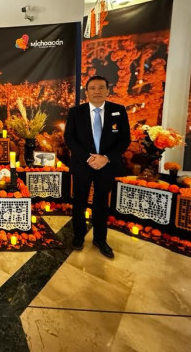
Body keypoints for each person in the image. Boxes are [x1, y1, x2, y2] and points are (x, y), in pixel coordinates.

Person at [64, 76, 130, 258]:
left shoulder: (118, 111)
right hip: (82, 165)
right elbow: (69, 138)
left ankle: (100, 239)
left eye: (101, 87)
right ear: (86, 92)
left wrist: (106, 158)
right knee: (79, 202)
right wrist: (88, 158)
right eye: (92, 88)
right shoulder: (76, 112)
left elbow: (124, 139)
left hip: (106, 166)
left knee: (101, 204)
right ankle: (78, 237)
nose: (97, 91)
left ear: (108, 90)